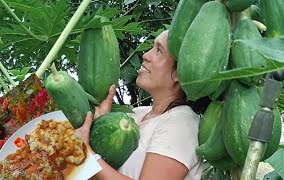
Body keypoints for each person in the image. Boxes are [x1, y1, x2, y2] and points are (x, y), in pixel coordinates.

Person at [76, 30, 203, 180]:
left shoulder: (182, 123)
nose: (146, 55)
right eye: (152, 47)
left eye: (159, 51)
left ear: (179, 73)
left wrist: (86, 152)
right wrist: (100, 126)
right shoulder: (135, 114)